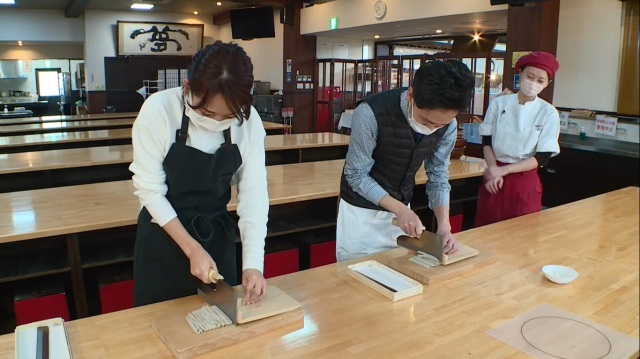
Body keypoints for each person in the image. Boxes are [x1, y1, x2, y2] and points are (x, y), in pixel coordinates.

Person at [129, 41, 268, 306]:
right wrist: (192, 249)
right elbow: (150, 191)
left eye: (227, 116)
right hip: (163, 238)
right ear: (187, 87)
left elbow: (254, 198)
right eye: (205, 112)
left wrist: (253, 265)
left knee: (220, 327)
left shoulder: (248, 122)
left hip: (215, 236)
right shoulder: (158, 111)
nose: (215, 122)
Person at [336, 60, 475, 261]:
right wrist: (400, 209)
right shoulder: (370, 113)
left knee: (399, 269)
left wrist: (444, 225)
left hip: (402, 210)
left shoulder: (449, 125)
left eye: (440, 125)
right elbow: (356, 175)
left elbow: (438, 174)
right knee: (357, 278)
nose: (433, 129)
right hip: (361, 213)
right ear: (411, 95)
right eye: (427, 121)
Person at [474, 51, 560, 227]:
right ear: (520, 73)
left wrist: (504, 171)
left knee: (521, 236)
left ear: (547, 83)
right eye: (530, 76)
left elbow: (542, 157)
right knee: (486, 231)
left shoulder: (548, 112)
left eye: (540, 80)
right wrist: (493, 170)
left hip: (523, 181)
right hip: (493, 177)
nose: (533, 83)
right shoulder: (499, 103)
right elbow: (487, 142)